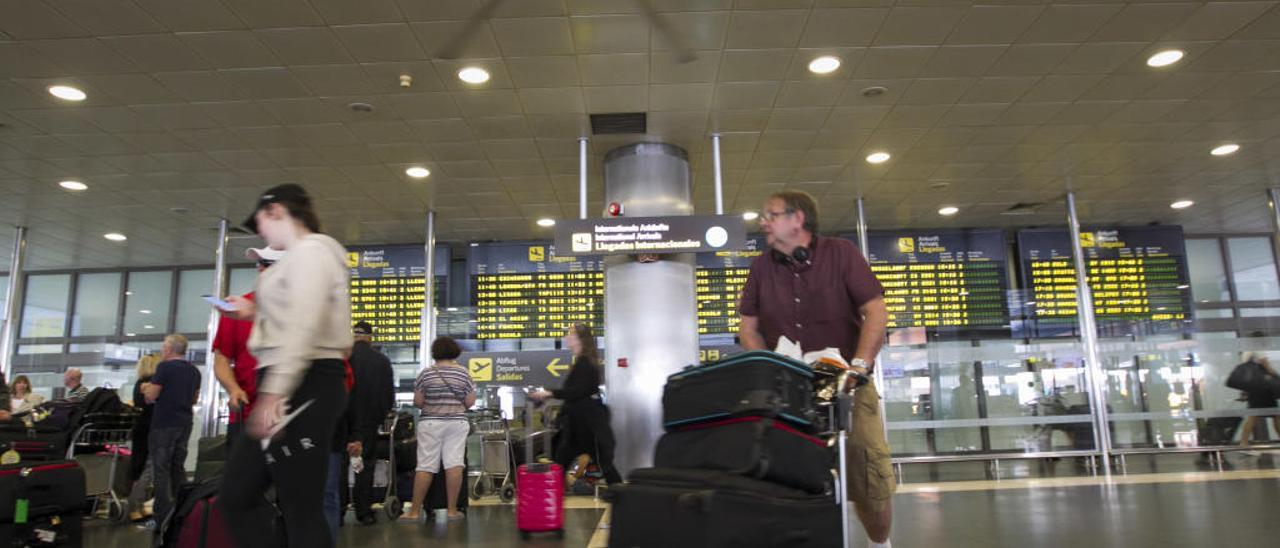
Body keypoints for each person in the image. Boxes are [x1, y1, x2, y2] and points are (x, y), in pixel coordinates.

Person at [737, 190, 895, 548]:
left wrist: (859, 366)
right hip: (789, 387)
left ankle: (880, 544)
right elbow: (749, 328)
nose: (763, 222)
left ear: (798, 219)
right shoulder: (761, 266)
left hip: (848, 382)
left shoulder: (841, 254)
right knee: (784, 476)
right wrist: (769, 367)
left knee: (865, 471)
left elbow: (876, 312)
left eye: (770, 214)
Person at [217, 183, 353, 548]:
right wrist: (253, 311)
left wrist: (276, 391)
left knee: (297, 506)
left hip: (304, 383)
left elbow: (305, 325)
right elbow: (297, 313)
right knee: (241, 496)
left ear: (275, 211)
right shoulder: (300, 256)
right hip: (297, 382)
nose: (261, 232)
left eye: (260, 222)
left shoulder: (313, 252)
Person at [530, 324, 623, 490]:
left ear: (579, 339)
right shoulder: (582, 362)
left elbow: (576, 392)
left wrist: (548, 394)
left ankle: (621, 496)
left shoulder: (585, 364)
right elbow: (575, 395)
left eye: (570, 334)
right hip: (580, 426)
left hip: (587, 426)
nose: (566, 337)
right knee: (563, 462)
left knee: (600, 463)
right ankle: (551, 501)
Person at [212, 246, 284, 453]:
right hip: (247, 416)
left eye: (267, 264)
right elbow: (221, 360)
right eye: (258, 264)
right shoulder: (236, 311)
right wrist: (233, 388)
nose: (260, 269)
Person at [402, 337, 475, 522]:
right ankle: (451, 511)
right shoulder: (464, 374)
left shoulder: (426, 374)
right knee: (454, 464)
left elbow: (418, 402)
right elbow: (470, 402)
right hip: (456, 423)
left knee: (425, 466)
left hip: (431, 423)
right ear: (454, 351)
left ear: (435, 353)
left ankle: (414, 511)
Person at [141, 335, 201, 529]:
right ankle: (183, 511)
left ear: (168, 349)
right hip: (184, 422)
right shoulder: (194, 371)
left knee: (161, 469)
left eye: (163, 347)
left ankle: (161, 518)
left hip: (164, 423)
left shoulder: (164, 367)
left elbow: (152, 396)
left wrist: (145, 388)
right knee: (178, 467)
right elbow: (193, 399)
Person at [343, 321, 396, 525]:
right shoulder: (381, 361)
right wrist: (378, 417)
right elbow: (388, 397)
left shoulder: (342, 357)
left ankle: (337, 510)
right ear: (370, 337)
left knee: (339, 466)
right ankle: (364, 512)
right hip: (367, 423)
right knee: (364, 467)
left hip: (341, 422)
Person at [127, 354, 159, 524]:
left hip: (140, 429)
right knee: (148, 467)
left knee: (140, 466)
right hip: (150, 429)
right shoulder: (150, 385)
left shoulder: (139, 384)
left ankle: (136, 505)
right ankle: (135, 505)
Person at [1238, 352, 1280, 448]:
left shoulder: (1246, 352)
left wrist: (1245, 392)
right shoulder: (1257, 350)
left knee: (1253, 417)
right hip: (1264, 388)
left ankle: (1243, 442)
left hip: (1255, 388)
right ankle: (1243, 442)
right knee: (1276, 416)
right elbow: (1266, 366)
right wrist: (1274, 374)